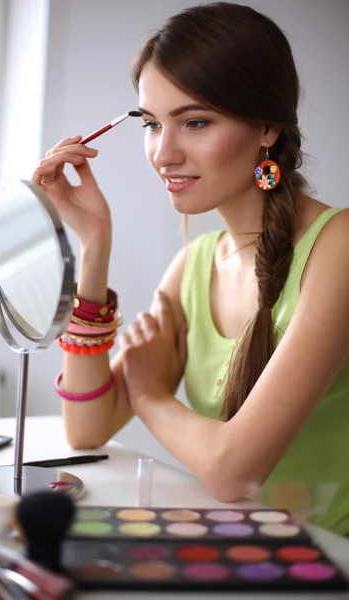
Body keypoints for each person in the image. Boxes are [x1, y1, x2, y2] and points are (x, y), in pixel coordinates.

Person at [31, 2, 349, 537]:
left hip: (330, 562)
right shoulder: (195, 265)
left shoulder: (337, 247)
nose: (162, 153)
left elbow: (233, 472)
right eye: (152, 124)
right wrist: (94, 244)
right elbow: (85, 429)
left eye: (195, 122)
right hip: (244, 550)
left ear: (268, 126)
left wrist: (151, 395)